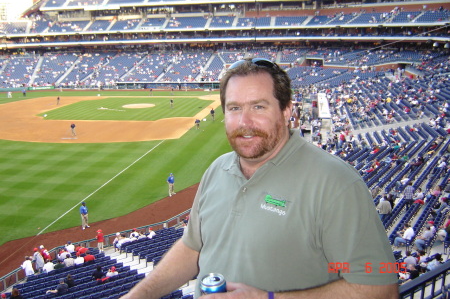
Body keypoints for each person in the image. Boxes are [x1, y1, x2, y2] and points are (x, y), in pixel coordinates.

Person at [121, 58, 398, 299]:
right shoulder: (216, 171)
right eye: (234, 108)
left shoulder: (335, 183)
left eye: (259, 107)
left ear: (287, 111)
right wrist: (138, 295)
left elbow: (380, 289)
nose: (245, 122)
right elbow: (192, 249)